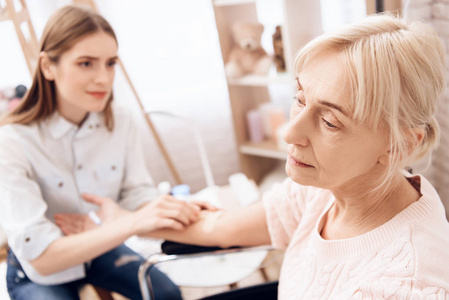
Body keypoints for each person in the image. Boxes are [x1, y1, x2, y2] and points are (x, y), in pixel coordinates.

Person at [56, 13, 449, 298]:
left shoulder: (402, 285)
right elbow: (219, 228)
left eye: (329, 122)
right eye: (299, 99)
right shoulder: (329, 187)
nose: (291, 133)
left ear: (400, 145)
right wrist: (121, 222)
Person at [0, 5, 210, 300]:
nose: (104, 78)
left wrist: (174, 210)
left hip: (101, 247)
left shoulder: (121, 122)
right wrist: (131, 223)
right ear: (48, 66)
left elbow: (136, 195)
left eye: (110, 63)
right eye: (86, 63)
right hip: (41, 269)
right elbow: (42, 258)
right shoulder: (11, 141)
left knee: (166, 294)